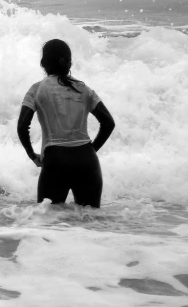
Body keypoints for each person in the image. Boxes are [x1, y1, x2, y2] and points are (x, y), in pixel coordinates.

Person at [16, 39, 115, 208]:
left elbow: (22, 125)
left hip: (55, 160)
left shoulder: (37, 89)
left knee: (49, 223)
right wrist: (89, 151)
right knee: (91, 225)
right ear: (69, 62)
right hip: (87, 163)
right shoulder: (84, 89)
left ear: (43, 63)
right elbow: (108, 123)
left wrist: (32, 155)